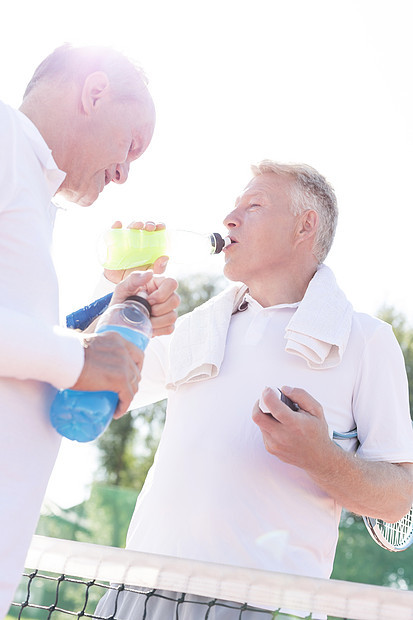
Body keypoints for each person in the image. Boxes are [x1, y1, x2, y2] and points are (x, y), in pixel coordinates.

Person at [95, 161, 413, 619]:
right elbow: (93, 381)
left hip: (262, 607)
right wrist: (125, 301)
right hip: (137, 595)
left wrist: (321, 457)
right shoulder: (191, 329)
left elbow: (398, 499)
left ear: (306, 226)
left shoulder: (366, 341)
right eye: (233, 206)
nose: (230, 218)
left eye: (254, 205)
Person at [0, 44, 179, 617]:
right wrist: (78, 357)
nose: (126, 173)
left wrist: (114, 313)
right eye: (131, 144)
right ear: (93, 92)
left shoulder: (30, 189)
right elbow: (52, 354)